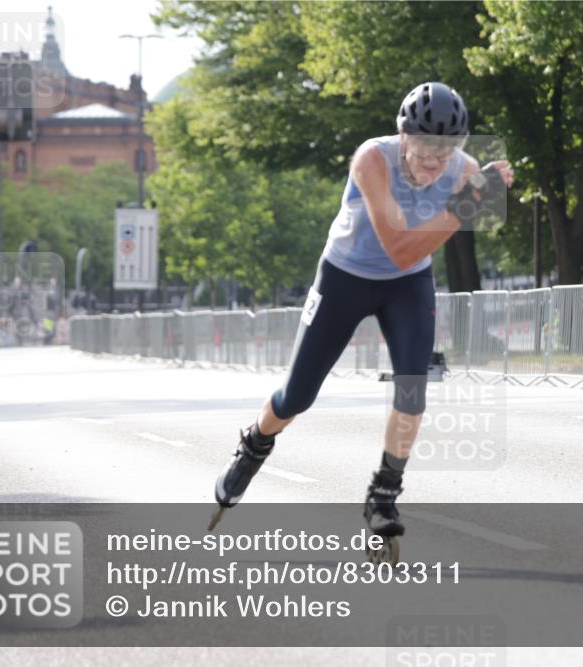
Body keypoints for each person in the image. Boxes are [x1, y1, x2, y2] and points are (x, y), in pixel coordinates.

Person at [209, 82, 514, 541]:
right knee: (297, 396)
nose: (435, 162)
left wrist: (473, 198)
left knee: (413, 390)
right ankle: (254, 444)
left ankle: (384, 493)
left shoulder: (464, 170)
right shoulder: (371, 160)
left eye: (446, 152)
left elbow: (417, 257)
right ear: (404, 138)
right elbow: (399, 247)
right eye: (426, 150)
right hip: (345, 278)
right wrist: (464, 206)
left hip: (407, 287)